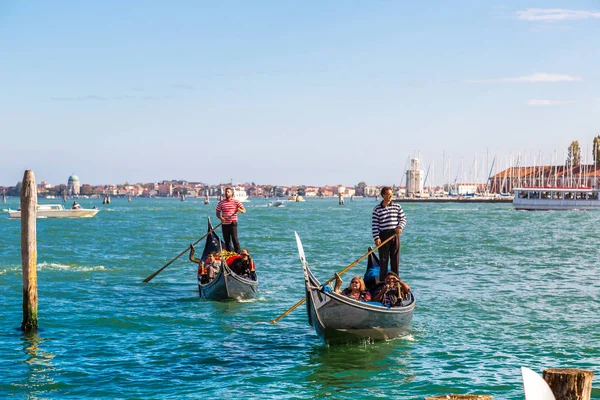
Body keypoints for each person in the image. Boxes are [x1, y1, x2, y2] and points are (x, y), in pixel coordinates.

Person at [371, 186, 406, 282]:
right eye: (388, 194)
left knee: (395, 260)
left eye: (391, 194)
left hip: (395, 235)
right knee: (383, 260)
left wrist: (400, 227)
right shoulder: (377, 209)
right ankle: (383, 282)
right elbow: (375, 225)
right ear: (383, 195)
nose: (390, 196)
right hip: (383, 236)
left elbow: (403, 219)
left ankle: (395, 282)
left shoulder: (397, 206)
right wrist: (376, 238)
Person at [215, 187, 246, 253]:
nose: (226, 193)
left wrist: (239, 210)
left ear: (231, 193)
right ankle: (229, 254)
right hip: (225, 224)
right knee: (227, 241)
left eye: (228, 192)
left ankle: (238, 253)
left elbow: (244, 210)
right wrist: (221, 218)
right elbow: (217, 213)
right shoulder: (221, 203)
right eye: (226, 192)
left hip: (233, 223)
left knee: (235, 239)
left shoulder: (236, 202)